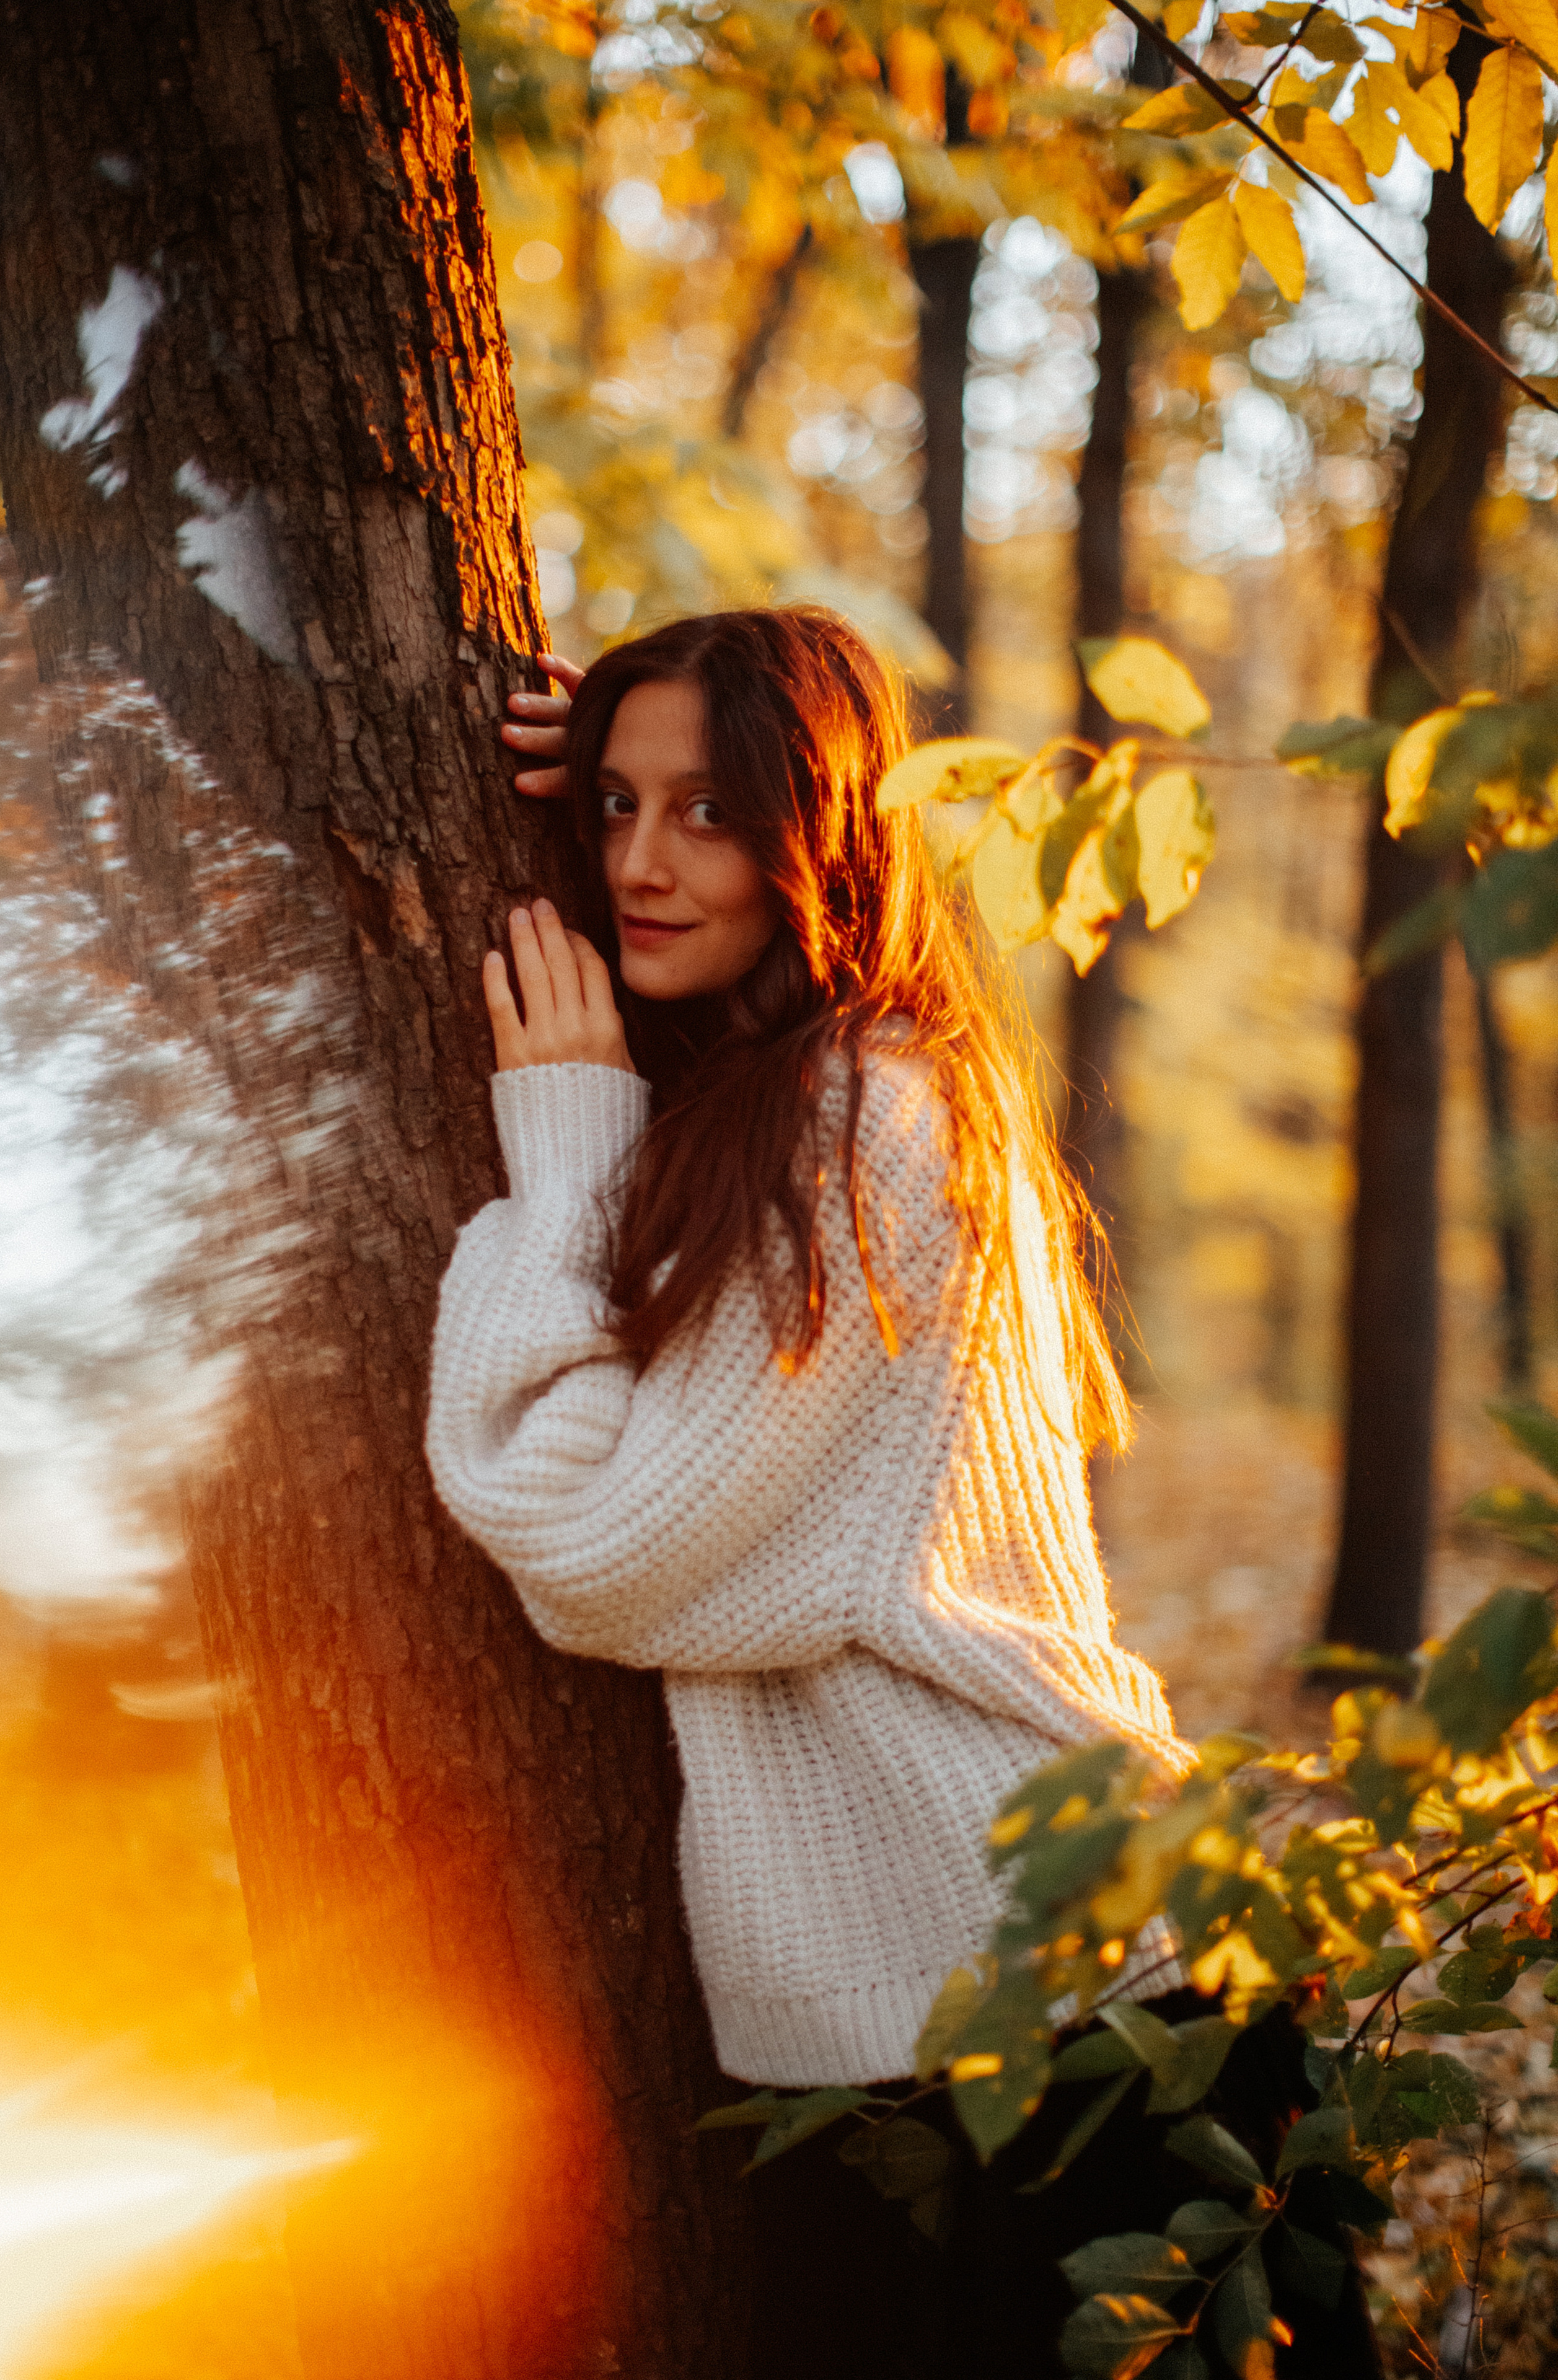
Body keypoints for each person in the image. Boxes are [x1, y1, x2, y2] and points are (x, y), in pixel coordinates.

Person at [425, 608, 1195, 2371]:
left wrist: (562, 1146)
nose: (636, 864)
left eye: (707, 812)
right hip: (910, 2012)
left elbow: (591, 1549)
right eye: (610, 809)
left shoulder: (875, 1130)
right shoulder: (792, 1095)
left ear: (822, 830)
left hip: (1044, 2005)